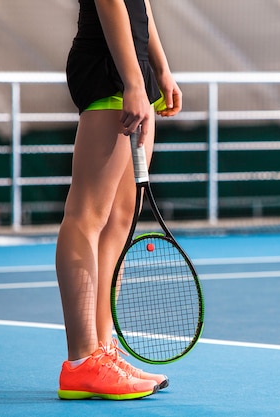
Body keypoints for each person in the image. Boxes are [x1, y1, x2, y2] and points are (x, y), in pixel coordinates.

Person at [56, 0, 182, 400]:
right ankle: (81, 360)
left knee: (120, 219)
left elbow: (139, 5)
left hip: (133, 66)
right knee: (86, 216)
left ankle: (102, 350)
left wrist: (159, 69)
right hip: (110, 65)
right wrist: (132, 81)